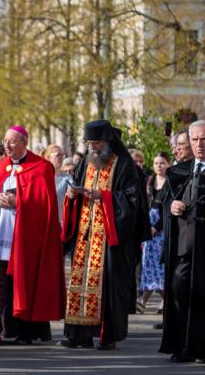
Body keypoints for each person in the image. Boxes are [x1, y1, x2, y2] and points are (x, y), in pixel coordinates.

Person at [60, 120, 150, 350]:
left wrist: (104, 196)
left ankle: (106, 335)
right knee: (79, 283)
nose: (92, 148)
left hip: (111, 238)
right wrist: (72, 195)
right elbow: (77, 187)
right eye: (89, 143)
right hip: (85, 235)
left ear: (108, 141)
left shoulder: (124, 165)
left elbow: (132, 201)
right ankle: (78, 335)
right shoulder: (86, 164)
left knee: (107, 288)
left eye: (96, 143)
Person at [0, 125, 65, 345]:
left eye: (12, 141)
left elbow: (45, 205)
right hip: (0, 232)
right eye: (5, 141)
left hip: (25, 237)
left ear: (24, 142)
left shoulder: (41, 167)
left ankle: (23, 331)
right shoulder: (2, 166)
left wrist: (18, 201)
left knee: (22, 281)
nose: (7, 145)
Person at [160, 120, 205, 363]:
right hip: (185, 247)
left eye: (204, 140)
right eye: (195, 140)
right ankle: (185, 345)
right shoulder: (180, 171)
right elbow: (164, 203)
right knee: (179, 290)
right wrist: (172, 206)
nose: (200, 145)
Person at [137, 152, 169, 313]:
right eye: (156, 163)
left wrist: (156, 227)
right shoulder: (149, 182)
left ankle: (148, 300)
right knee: (148, 265)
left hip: (161, 229)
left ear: (168, 164)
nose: (159, 166)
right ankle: (145, 300)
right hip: (147, 228)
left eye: (162, 163)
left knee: (161, 266)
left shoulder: (170, 182)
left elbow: (168, 209)